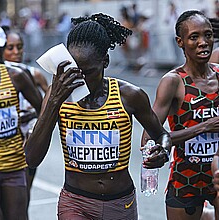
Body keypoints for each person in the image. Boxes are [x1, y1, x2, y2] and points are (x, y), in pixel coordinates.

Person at [24, 13, 171, 219]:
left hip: (121, 203)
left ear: (105, 62)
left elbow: (162, 135)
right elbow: (32, 158)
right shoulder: (57, 94)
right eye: (76, 72)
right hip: (75, 202)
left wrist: (162, 151)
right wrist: (54, 102)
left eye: (89, 72)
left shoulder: (130, 95)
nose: (81, 81)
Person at [141, 10, 219, 220]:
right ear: (180, 42)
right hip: (186, 179)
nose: (203, 42)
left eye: (208, 35)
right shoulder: (173, 82)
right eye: (194, 37)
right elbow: (150, 138)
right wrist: (203, 127)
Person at [1, 26, 48, 216]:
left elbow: (46, 107)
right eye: (10, 48)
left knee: (20, 204)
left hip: (21, 148)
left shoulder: (28, 74)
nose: (15, 52)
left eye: (19, 47)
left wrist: (32, 122)